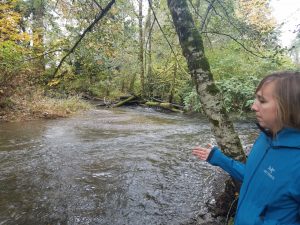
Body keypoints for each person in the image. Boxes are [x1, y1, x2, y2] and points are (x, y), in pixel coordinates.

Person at [192, 71, 300, 225]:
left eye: (262, 101)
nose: (253, 106)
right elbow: (253, 176)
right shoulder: (264, 139)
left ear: (288, 107)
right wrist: (217, 158)